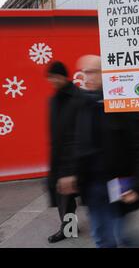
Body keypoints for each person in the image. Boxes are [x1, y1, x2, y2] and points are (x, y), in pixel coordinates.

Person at [57, 55, 139, 248]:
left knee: (120, 235)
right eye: (83, 72)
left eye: (91, 72)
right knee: (101, 236)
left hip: (119, 182)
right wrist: (68, 173)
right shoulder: (81, 103)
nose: (86, 76)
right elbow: (73, 142)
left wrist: (138, 185)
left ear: (104, 73)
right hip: (92, 186)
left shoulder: (123, 102)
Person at [46, 61, 79, 243]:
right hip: (61, 157)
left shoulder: (77, 98)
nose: (51, 81)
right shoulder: (54, 100)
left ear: (62, 76)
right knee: (64, 197)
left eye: (54, 77)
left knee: (71, 194)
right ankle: (69, 228)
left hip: (76, 157)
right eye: (49, 77)